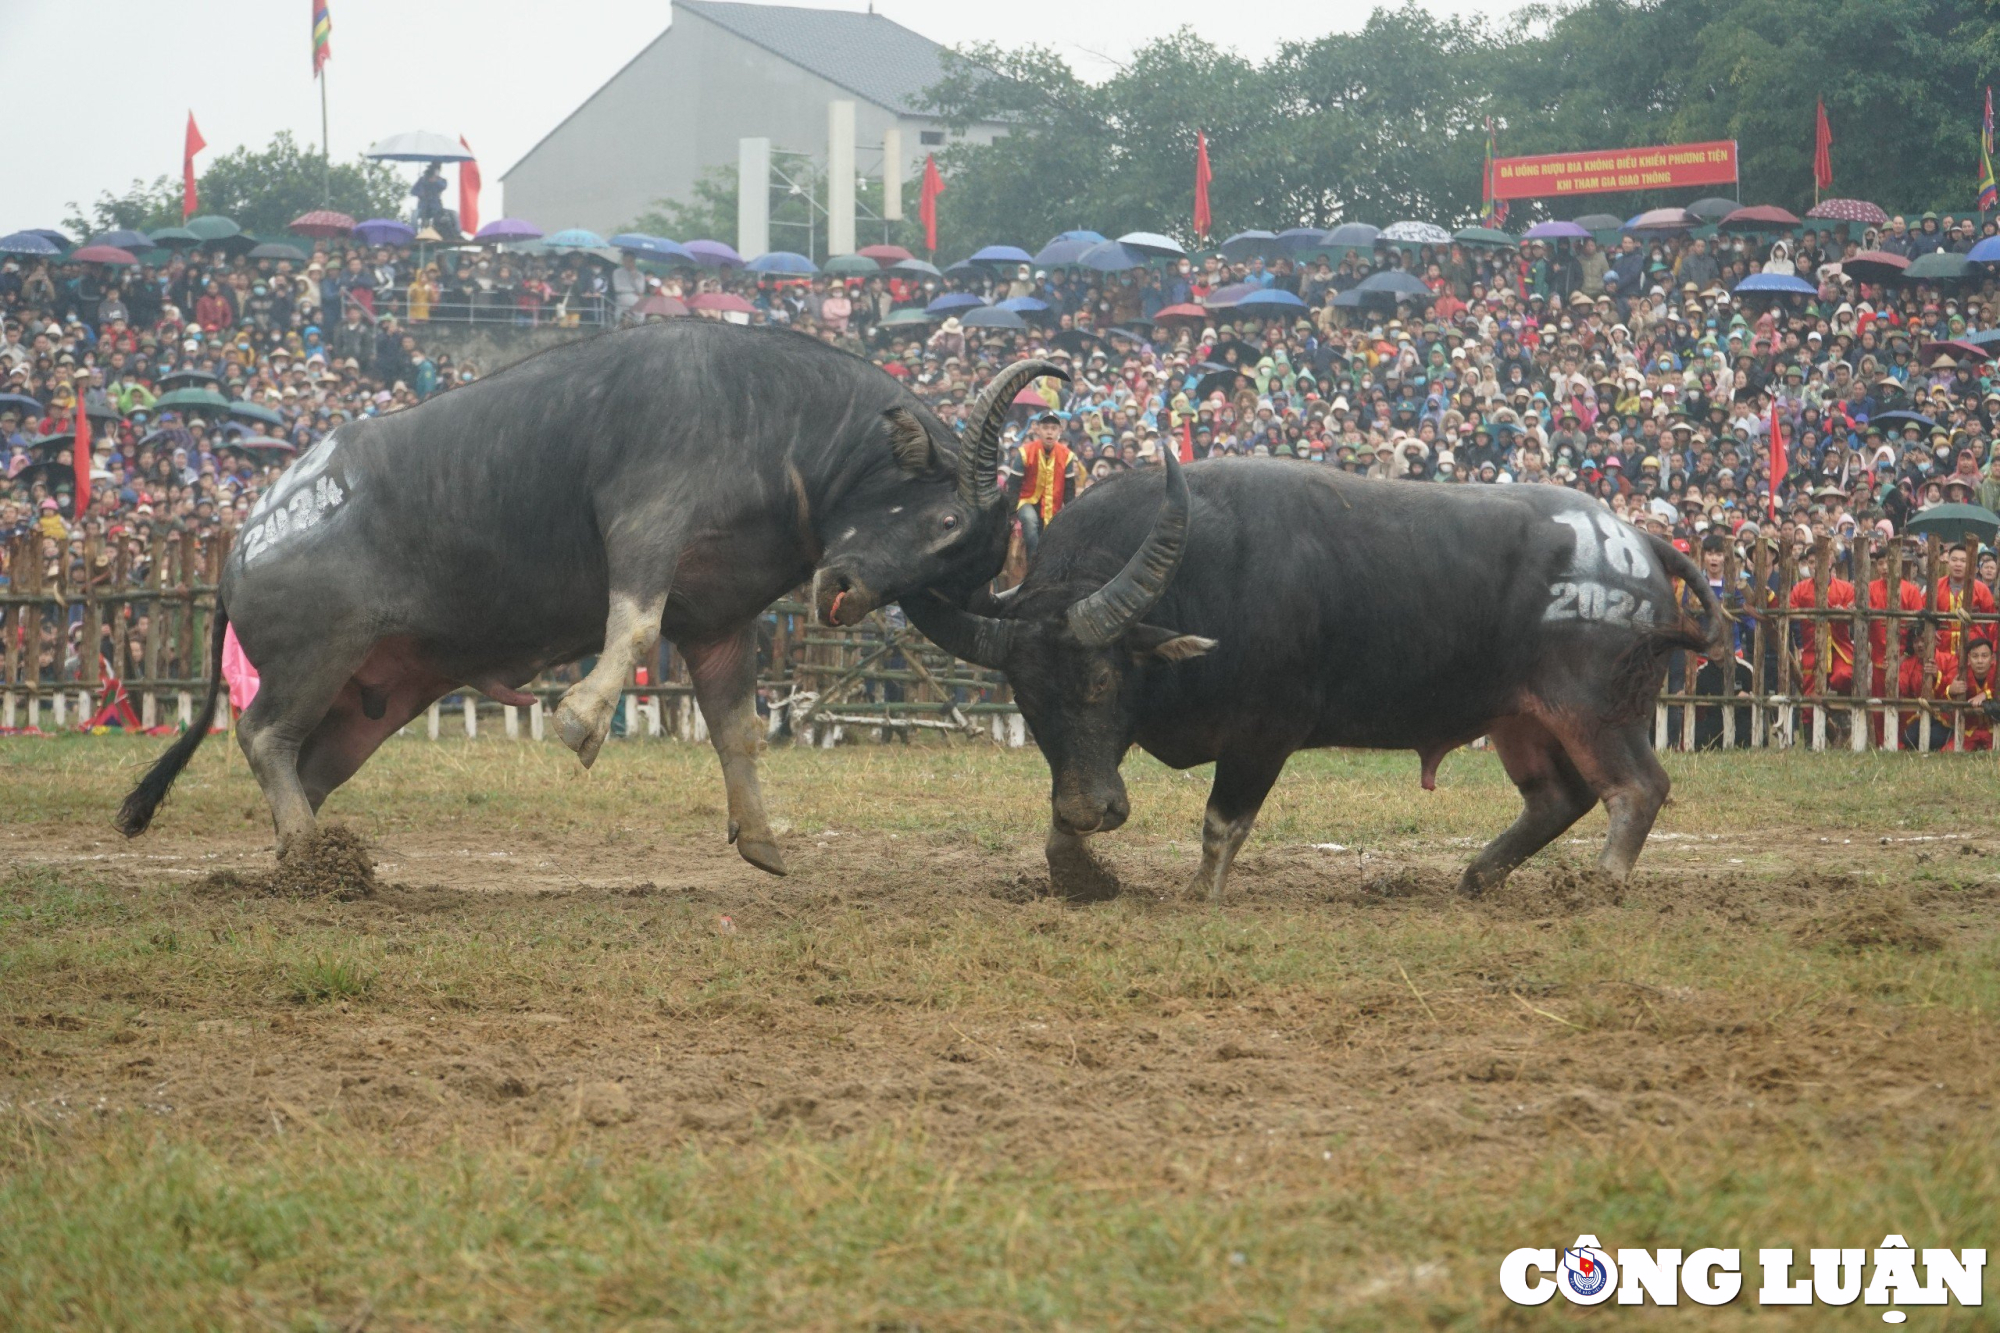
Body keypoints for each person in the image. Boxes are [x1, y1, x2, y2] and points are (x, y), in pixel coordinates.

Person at [1014, 412, 1084, 557]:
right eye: (1045, 428)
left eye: (1053, 428)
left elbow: (1069, 490)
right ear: (1038, 429)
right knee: (1030, 520)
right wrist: (1010, 512)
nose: (1049, 432)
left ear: (1060, 430)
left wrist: (1071, 514)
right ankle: (1034, 560)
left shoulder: (1067, 455)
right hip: (1028, 501)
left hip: (1054, 505)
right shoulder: (1024, 452)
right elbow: (1014, 485)